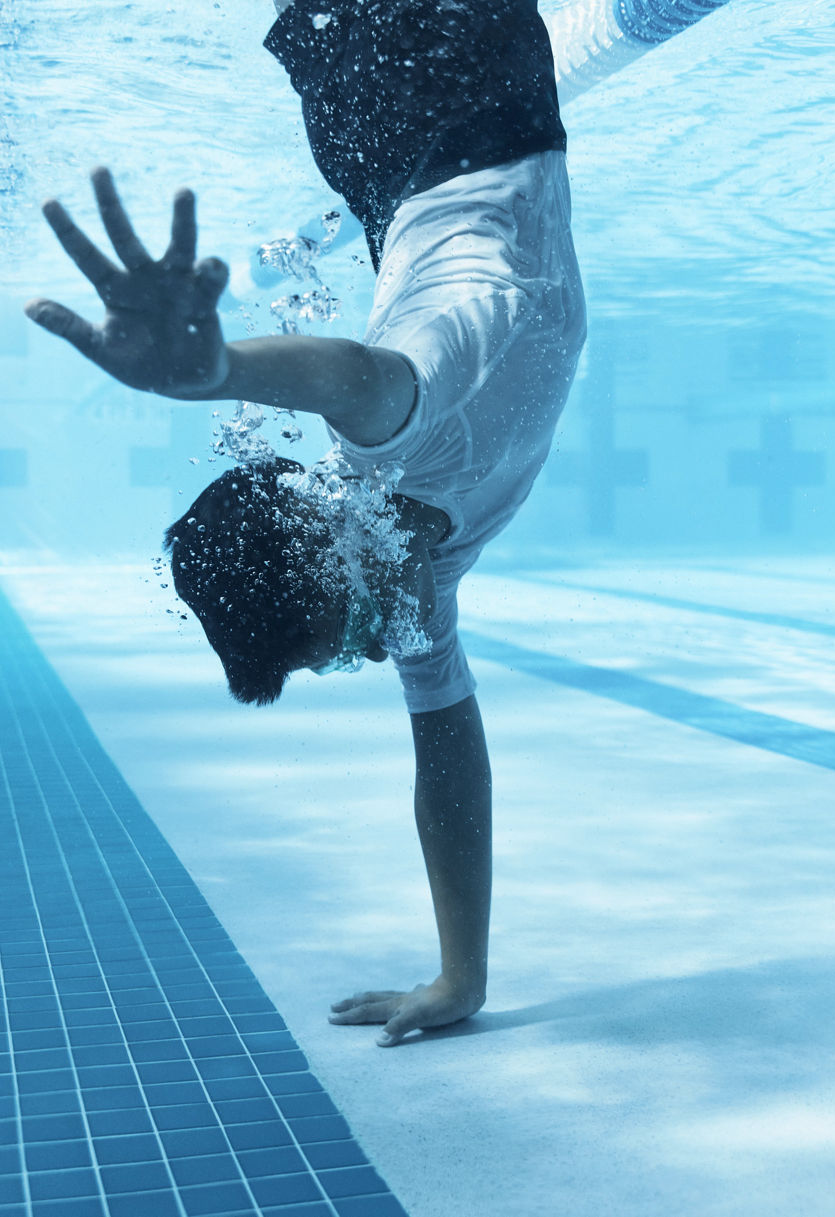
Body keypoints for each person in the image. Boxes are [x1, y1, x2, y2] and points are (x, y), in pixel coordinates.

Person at [25, 0, 587, 1047]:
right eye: (347, 662)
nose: (384, 647)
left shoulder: (395, 444)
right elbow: (447, 761)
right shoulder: (422, 569)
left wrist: (219, 373)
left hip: (455, 91)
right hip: (398, 156)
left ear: (337, 547)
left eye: (348, 636)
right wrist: (459, 973)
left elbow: (353, 376)